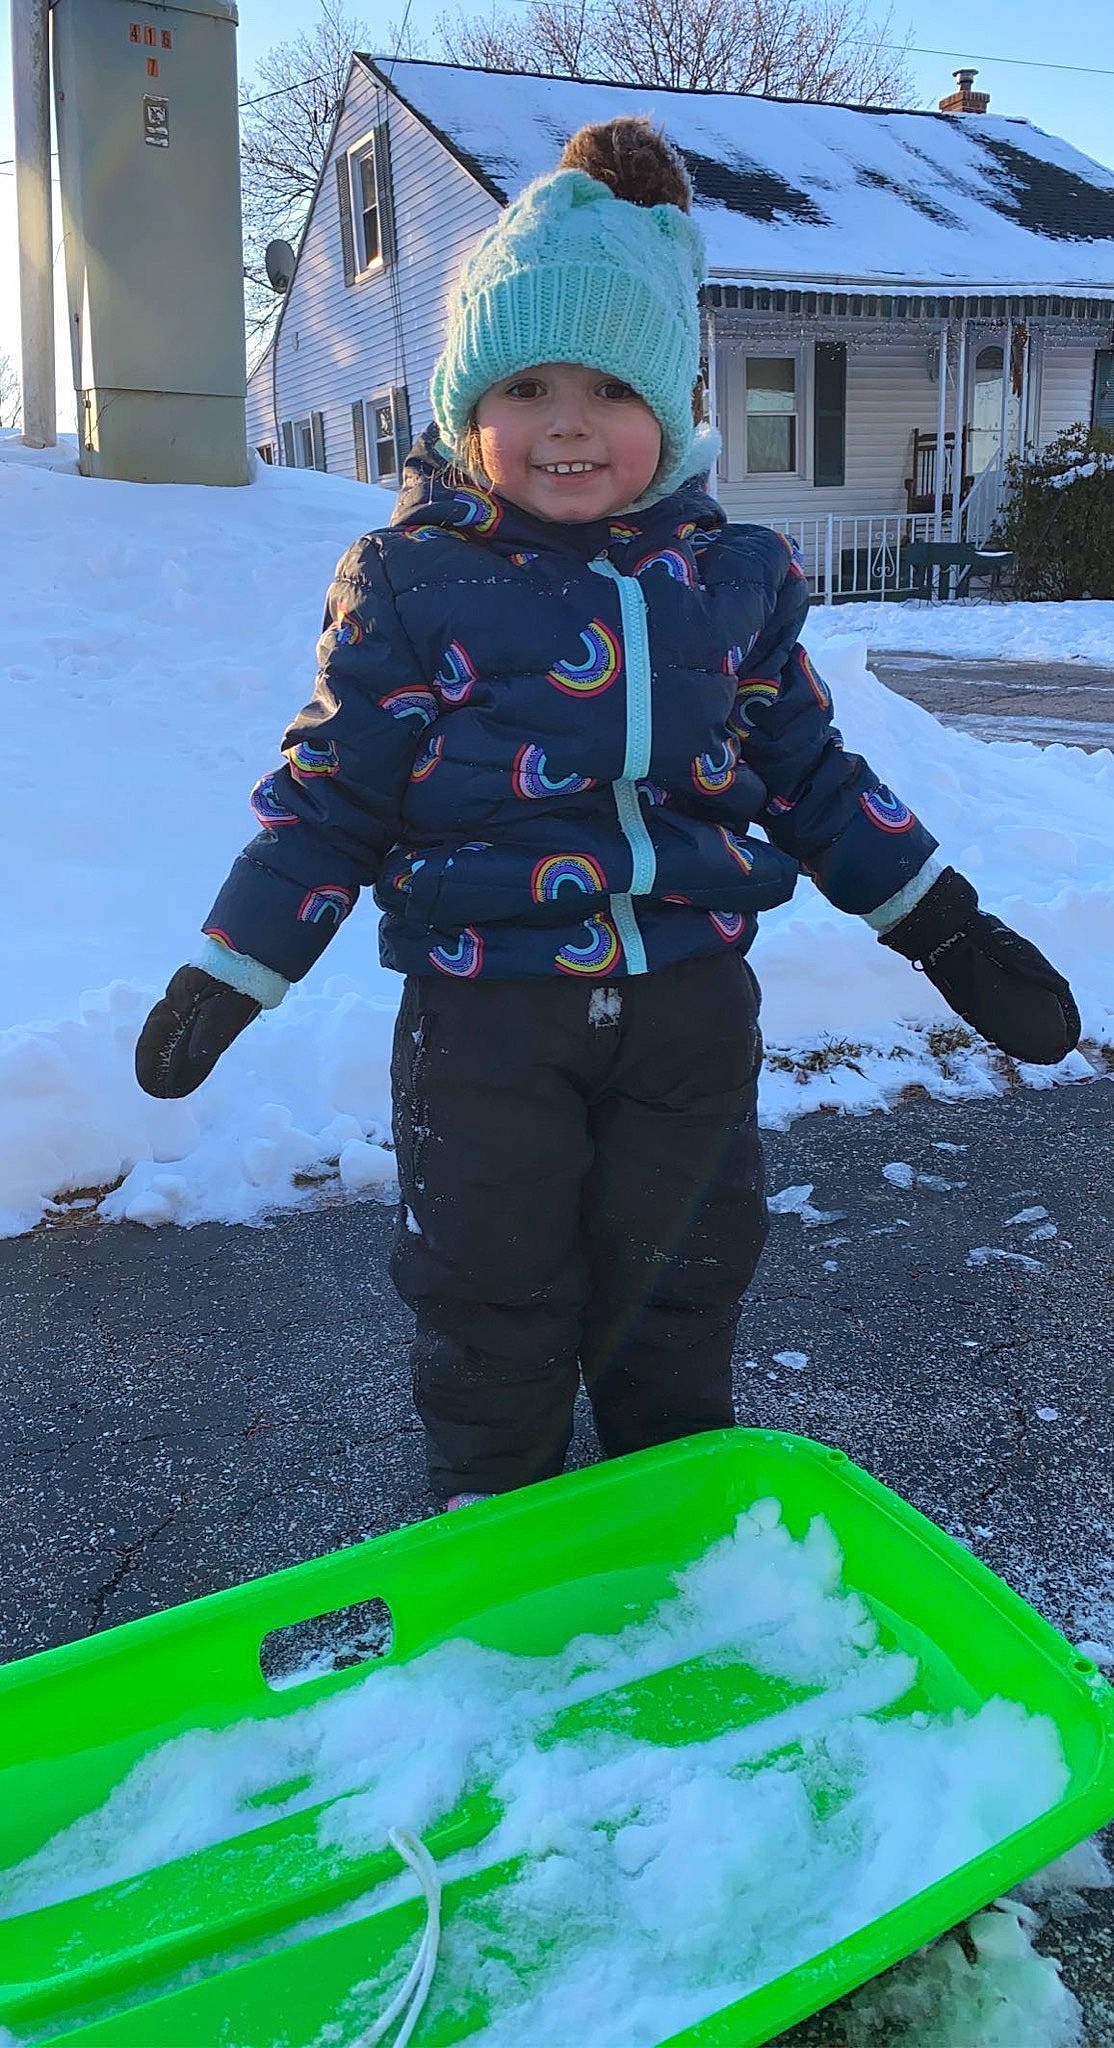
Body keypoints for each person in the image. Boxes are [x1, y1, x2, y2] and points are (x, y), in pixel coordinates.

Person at [136, 118, 1080, 1509]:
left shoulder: (732, 581)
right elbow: (329, 799)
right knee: (488, 1287)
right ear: (470, 412)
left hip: (690, 1006)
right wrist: (230, 972)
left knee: (683, 1275)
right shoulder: (409, 584)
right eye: (526, 384)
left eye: (607, 387)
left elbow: (814, 779)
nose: (567, 423)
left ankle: (666, 1516)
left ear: (670, 411)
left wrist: (948, 932)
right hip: (485, 1016)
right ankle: (494, 1529)